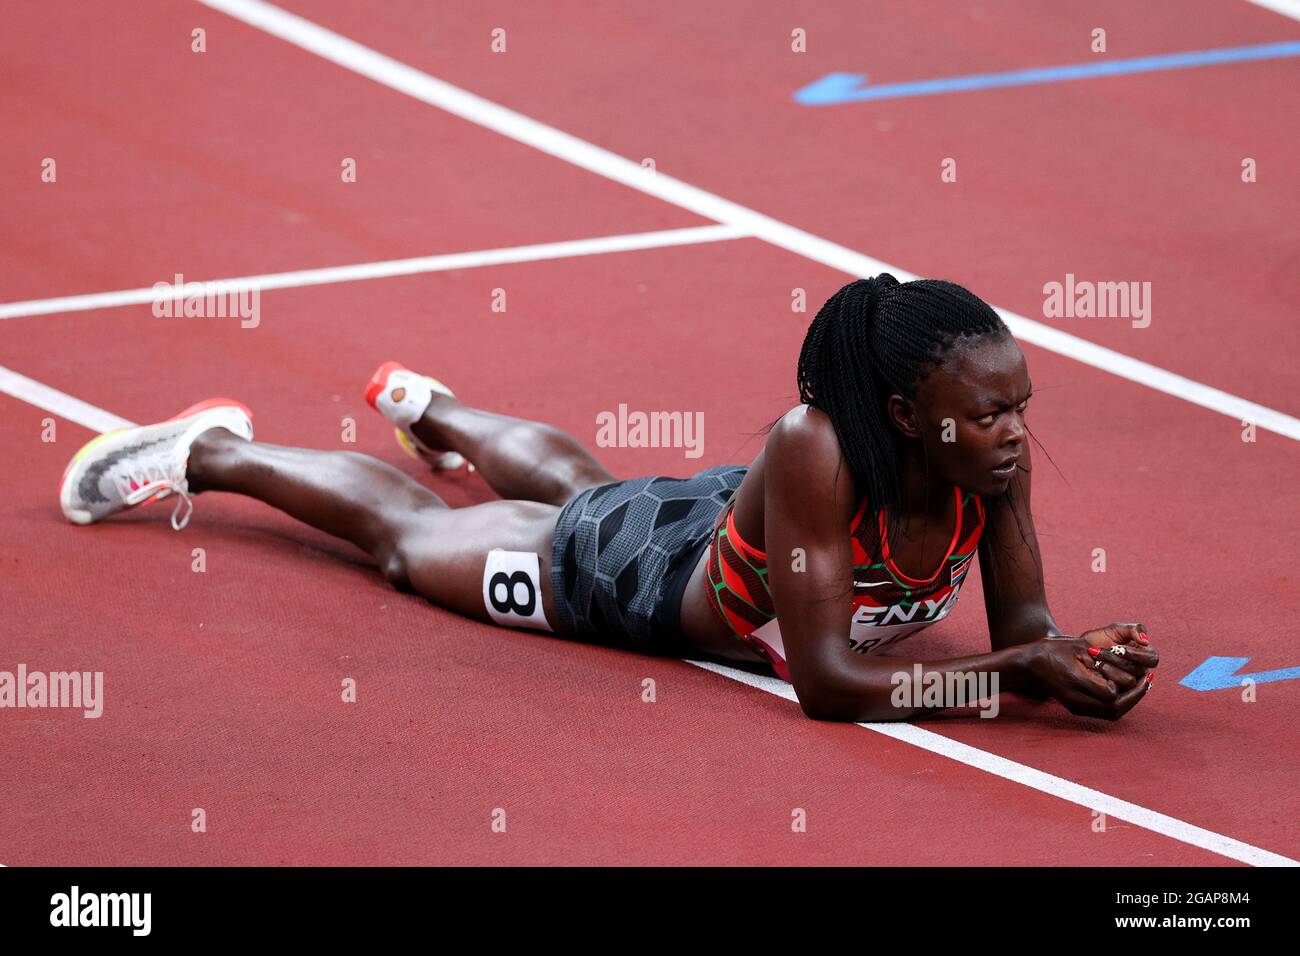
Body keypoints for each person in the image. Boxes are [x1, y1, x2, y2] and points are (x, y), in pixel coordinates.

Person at [58, 274, 1158, 722]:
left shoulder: (987, 464)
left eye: (1020, 403)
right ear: (907, 415)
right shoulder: (814, 445)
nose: (1016, 430)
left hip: (729, 527)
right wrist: (1011, 679)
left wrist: (1064, 662)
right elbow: (829, 685)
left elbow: (1021, 629)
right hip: (627, 582)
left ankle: (434, 410)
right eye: (988, 412)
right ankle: (207, 453)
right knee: (413, 538)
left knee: (593, 485)